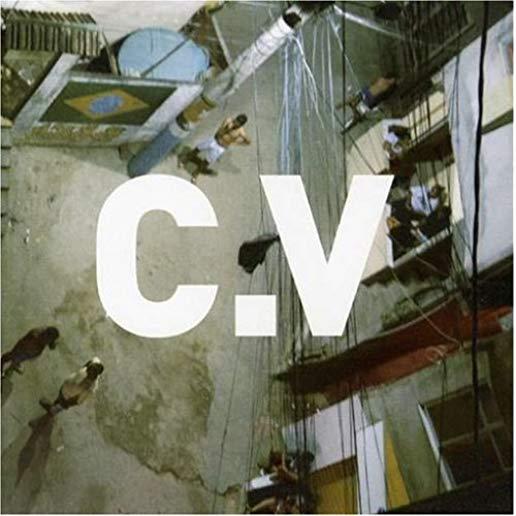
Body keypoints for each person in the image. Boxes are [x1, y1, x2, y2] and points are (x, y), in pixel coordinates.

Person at [178, 114, 251, 183]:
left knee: (207, 161)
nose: (235, 123)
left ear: (241, 125)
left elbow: (248, 142)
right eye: (236, 120)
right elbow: (219, 131)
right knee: (197, 149)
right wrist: (227, 128)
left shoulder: (241, 132)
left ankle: (196, 173)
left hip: (221, 147)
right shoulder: (228, 121)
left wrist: (234, 143)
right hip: (214, 140)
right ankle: (185, 160)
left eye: (238, 123)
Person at [38, 357, 104, 417]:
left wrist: (66, 403)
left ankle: (50, 413)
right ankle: (52, 407)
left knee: (57, 408)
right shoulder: (89, 367)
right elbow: (93, 360)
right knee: (57, 400)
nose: (87, 372)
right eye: (88, 369)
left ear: (95, 375)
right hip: (64, 389)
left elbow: (78, 401)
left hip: (67, 398)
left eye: (90, 373)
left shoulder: (90, 388)